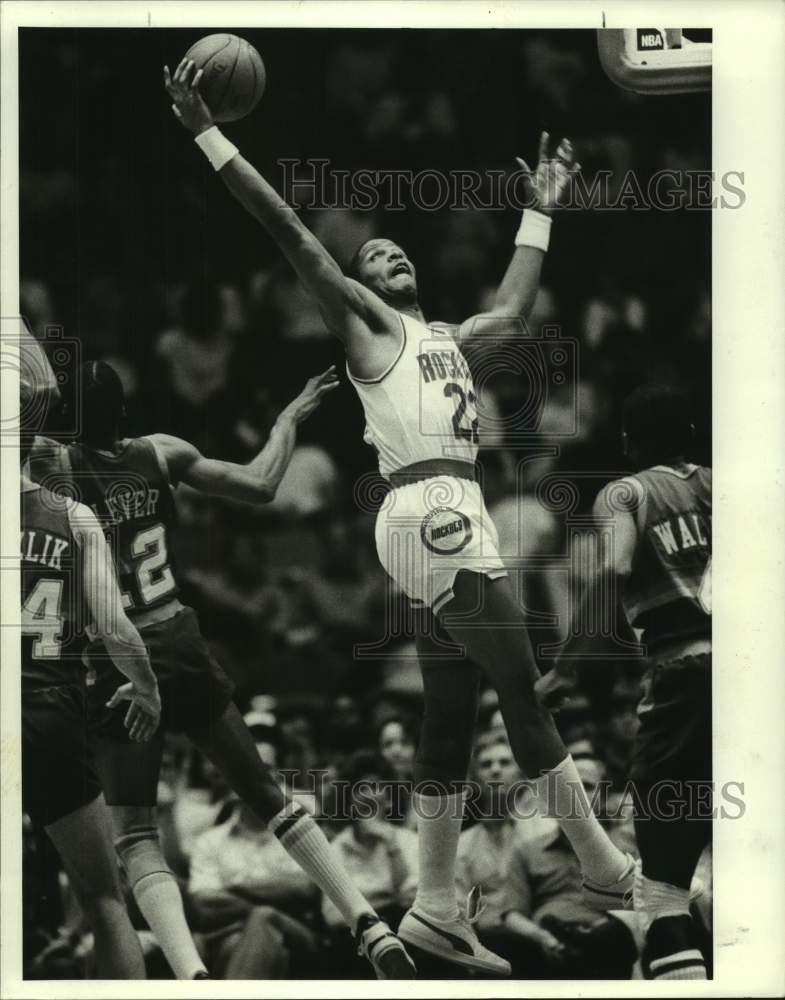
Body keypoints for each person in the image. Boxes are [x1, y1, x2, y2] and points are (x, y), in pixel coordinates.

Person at [164, 57, 635, 976]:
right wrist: (208, 134)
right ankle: (602, 861)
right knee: (527, 684)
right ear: (356, 284)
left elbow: (512, 306)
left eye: (399, 251)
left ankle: (430, 908)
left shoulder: (448, 337)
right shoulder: (367, 326)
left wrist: (539, 208)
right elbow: (290, 229)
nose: (393, 256)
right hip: (428, 509)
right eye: (376, 256)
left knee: (448, 722)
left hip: (451, 511)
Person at [28, 359, 414, 980]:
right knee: (261, 789)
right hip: (179, 638)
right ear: (125, 411)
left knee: (134, 832)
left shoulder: (53, 464)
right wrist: (288, 418)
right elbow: (262, 485)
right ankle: (367, 921)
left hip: (119, 655)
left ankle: (190, 975)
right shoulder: (162, 452)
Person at [536, 383, 712, 981]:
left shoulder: (625, 493)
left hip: (684, 674)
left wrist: (565, 667)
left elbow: (612, 569)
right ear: (691, 435)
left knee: (662, 884)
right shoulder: (726, 486)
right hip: (757, 676)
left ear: (630, 444)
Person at [20, 376, 162, 979]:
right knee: (105, 901)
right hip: (50, 708)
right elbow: (116, 628)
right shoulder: (72, 515)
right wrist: (148, 688)